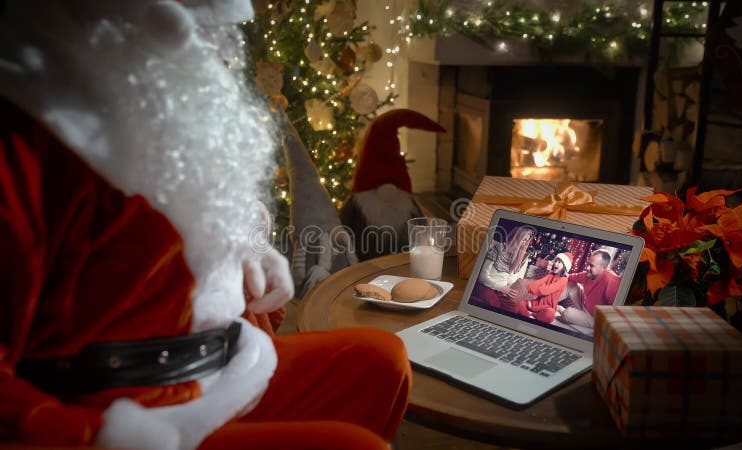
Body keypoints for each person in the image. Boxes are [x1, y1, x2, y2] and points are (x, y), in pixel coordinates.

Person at [0, 2, 410, 449]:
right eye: (205, 32)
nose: (221, 50)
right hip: (128, 417)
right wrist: (99, 437)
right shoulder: (29, 129)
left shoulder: (145, 101)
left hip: (222, 366)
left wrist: (245, 250)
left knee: (381, 361)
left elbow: (180, 219)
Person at [472, 226, 535, 313]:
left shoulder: (518, 257)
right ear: (516, 238)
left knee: (514, 308)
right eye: (524, 240)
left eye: (527, 241)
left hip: (503, 289)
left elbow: (510, 278)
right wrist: (501, 288)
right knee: (495, 304)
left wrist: (509, 287)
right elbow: (482, 276)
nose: (525, 244)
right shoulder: (497, 249)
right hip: (486, 285)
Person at [561, 249, 621, 328]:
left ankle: (563, 311)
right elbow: (571, 277)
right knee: (571, 284)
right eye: (588, 264)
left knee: (567, 313)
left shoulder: (611, 281)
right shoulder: (589, 274)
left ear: (604, 267)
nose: (587, 268)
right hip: (586, 307)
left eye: (592, 265)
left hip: (596, 319)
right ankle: (549, 302)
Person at [523, 252, 573, 323]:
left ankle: (535, 314)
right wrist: (528, 287)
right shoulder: (551, 274)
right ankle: (531, 311)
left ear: (565, 266)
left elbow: (546, 290)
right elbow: (540, 281)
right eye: (556, 261)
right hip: (539, 302)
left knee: (549, 315)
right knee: (521, 303)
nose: (556, 263)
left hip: (549, 306)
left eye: (559, 262)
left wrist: (532, 289)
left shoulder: (563, 280)